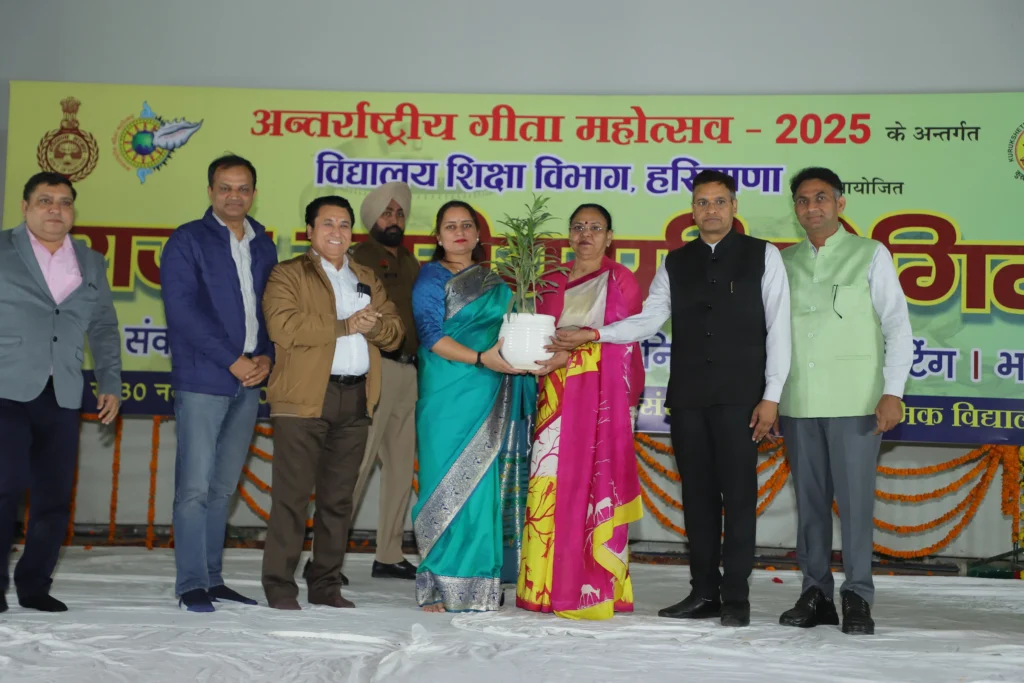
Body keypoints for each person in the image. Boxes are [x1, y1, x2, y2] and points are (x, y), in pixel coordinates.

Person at [555, 170, 792, 627]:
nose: (711, 210)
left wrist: (772, 396)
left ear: (734, 206)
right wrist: (596, 334)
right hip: (688, 398)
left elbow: (779, 328)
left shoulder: (764, 255)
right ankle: (703, 592)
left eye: (719, 201)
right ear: (692, 210)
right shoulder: (676, 263)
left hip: (742, 398)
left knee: (738, 497)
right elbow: (649, 320)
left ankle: (736, 598)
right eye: (702, 202)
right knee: (697, 497)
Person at [777, 167, 913, 636]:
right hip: (798, 400)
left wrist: (892, 391)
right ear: (795, 209)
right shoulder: (783, 261)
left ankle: (857, 594)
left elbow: (897, 325)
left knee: (854, 506)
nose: (811, 207)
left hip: (857, 401)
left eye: (820, 198)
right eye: (802, 200)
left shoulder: (870, 253)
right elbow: (771, 335)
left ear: (840, 203)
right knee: (810, 505)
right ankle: (816, 593)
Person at [261, 195, 403, 610]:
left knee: (338, 501)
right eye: (327, 223)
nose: (336, 232)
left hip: (356, 398)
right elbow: (284, 326)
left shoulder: (365, 276)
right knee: (292, 498)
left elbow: (395, 332)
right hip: (303, 399)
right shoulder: (287, 273)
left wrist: (373, 328)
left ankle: (325, 586)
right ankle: (279, 587)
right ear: (310, 231)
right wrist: (345, 325)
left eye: (344, 224)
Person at [515, 204, 646, 620]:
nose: (585, 234)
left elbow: (623, 343)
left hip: (600, 401)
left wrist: (569, 357)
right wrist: (540, 359)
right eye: (578, 227)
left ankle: (590, 588)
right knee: (550, 486)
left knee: (593, 485)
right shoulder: (551, 279)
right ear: (569, 235)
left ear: (610, 237)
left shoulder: (620, 279)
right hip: (554, 397)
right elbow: (537, 334)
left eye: (595, 227)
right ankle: (543, 586)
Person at [160, 154, 278, 612]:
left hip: (250, 379)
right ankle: (191, 583)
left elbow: (269, 309)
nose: (234, 196)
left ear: (254, 193)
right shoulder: (187, 239)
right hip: (203, 378)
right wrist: (233, 361)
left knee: (223, 487)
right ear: (211, 191)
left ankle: (212, 577)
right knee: (194, 487)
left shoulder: (263, 244)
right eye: (225, 187)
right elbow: (182, 311)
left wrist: (266, 355)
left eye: (243, 188)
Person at [0, 172, 121, 614]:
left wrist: (110, 382)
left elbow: (103, 326)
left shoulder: (90, 260)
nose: (56, 209)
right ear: (25, 207)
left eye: (65, 202)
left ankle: (34, 585)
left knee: (53, 496)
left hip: (64, 391)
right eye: (45, 200)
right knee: (5, 485)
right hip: (6, 387)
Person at [411, 200, 535, 612]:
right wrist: (481, 358)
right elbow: (430, 335)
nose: (459, 232)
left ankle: (479, 584)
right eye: (450, 226)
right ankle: (438, 583)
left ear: (479, 234)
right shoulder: (430, 277)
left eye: (467, 225)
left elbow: (510, 332)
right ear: (437, 235)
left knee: (482, 487)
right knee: (443, 481)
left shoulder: (495, 282)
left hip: (489, 388)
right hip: (446, 391)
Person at [346, 181, 421, 581]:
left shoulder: (410, 261)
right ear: (372, 218)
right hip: (376, 367)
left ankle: (389, 554)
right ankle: (325, 555)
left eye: (399, 213)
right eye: (387, 213)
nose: (394, 219)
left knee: (400, 467)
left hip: (410, 371)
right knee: (357, 464)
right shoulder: (358, 258)